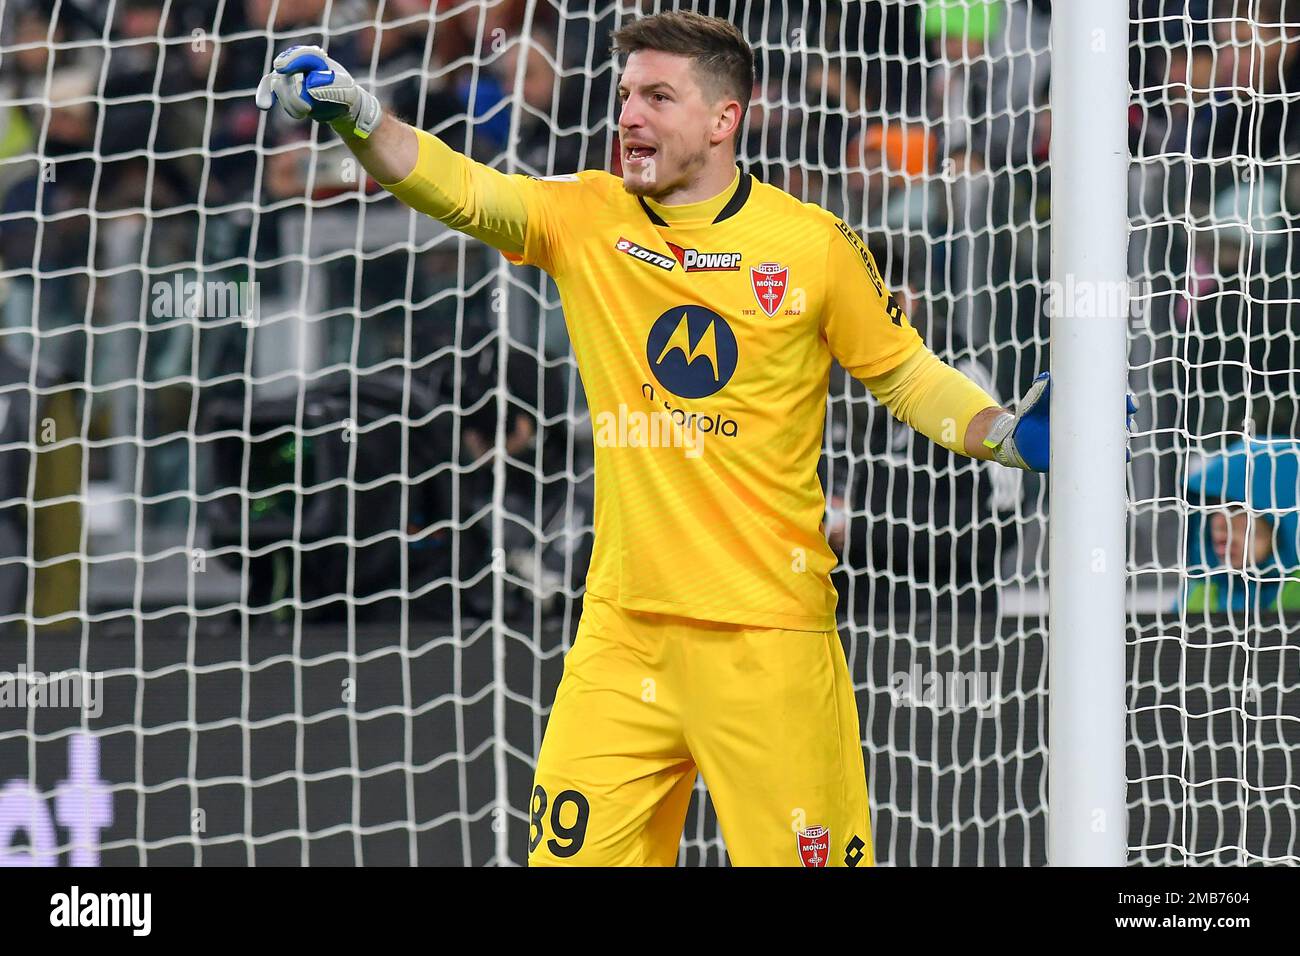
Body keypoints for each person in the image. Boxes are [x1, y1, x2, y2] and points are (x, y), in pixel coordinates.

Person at [255, 10, 1127, 866]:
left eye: (657, 98)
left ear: (723, 120)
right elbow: (458, 186)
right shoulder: (587, 215)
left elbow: (902, 372)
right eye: (626, 93)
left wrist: (1003, 435)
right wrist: (361, 116)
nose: (629, 114)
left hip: (767, 641)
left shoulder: (810, 245)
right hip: (621, 632)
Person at [1183, 439, 1300, 614]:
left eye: (1237, 508)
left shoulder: (1295, 591)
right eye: (1213, 508)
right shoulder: (1198, 593)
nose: (1218, 522)